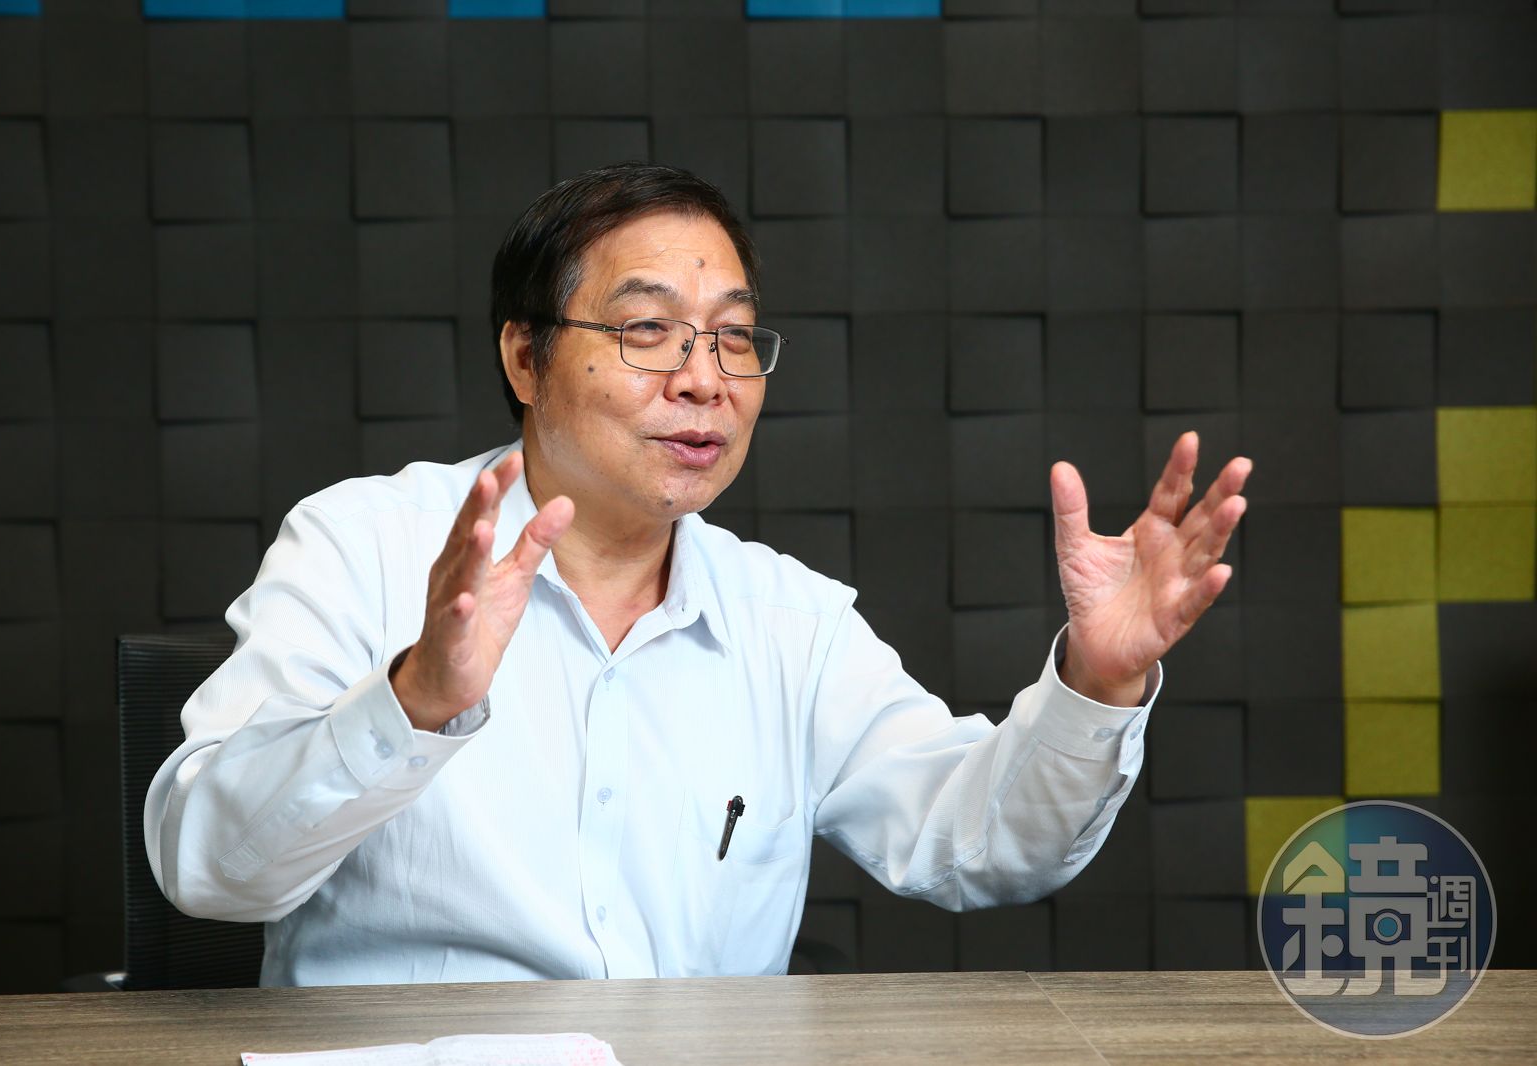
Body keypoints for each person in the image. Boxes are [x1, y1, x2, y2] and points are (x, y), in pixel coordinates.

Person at [145, 162, 1251, 987]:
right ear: (525, 356)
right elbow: (206, 869)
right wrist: (414, 701)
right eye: (647, 331)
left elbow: (980, 841)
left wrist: (1098, 682)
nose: (703, 379)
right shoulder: (362, 547)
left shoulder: (789, 619)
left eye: (734, 338)